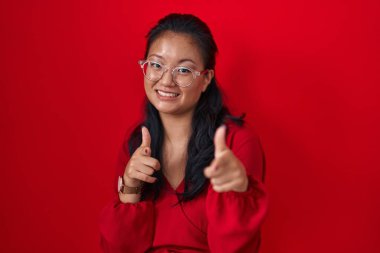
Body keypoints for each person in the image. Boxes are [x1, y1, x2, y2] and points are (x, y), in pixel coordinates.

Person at [99, 13, 268, 253]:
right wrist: (130, 190)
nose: (166, 80)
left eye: (183, 71)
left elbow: (234, 249)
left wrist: (237, 191)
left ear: (206, 79)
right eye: (156, 65)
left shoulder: (237, 143)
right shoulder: (135, 142)